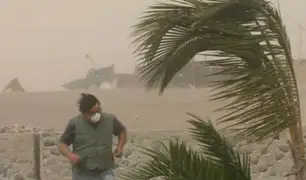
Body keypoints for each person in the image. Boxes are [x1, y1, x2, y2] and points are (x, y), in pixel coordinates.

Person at [59, 93, 127, 180]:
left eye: (99, 111)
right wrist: (70, 156)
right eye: (92, 113)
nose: (97, 115)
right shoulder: (74, 123)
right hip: (83, 173)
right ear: (84, 113)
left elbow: (122, 131)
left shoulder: (110, 119)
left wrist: (120, 147)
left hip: (105, 170)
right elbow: (62, 144)